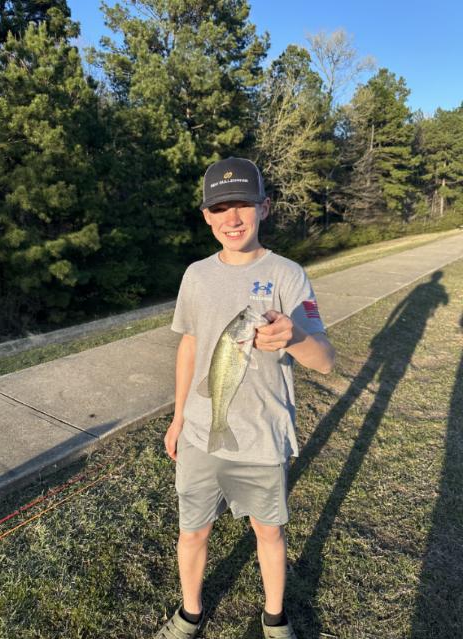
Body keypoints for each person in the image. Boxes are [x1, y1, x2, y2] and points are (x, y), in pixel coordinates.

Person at [156, 157, 335, 639]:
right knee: (193, 530)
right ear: (206, 216)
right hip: (200, 431)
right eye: (220, 208)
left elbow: (325, 360)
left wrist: (295, 336)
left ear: (265, 207)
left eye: (243, 205)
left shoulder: (288, 274)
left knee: (269, 531)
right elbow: (189, 346)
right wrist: (178, 419)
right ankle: (190, 613)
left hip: (261, 436)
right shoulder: (196, 275)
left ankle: (274, 618)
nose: (232, 218)